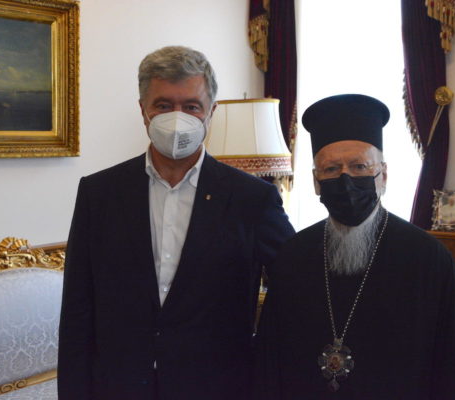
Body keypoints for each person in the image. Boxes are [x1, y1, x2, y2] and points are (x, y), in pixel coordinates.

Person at [57, 46, 295, 400]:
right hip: (119, 386)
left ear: (211, 112)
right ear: (143, 110)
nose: (177, 118)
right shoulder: (100, 193)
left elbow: (294, 284)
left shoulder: (252, 198)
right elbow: (78, 308)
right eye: (164, 105)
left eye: (191, 106)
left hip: (218, 387)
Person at [254, 94, 455, 399]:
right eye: (331, 169)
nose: (345, 179)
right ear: (316, 182)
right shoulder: (294, 256)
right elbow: (270, 361)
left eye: (359, 167)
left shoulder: (427, 258)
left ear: (383, 176)